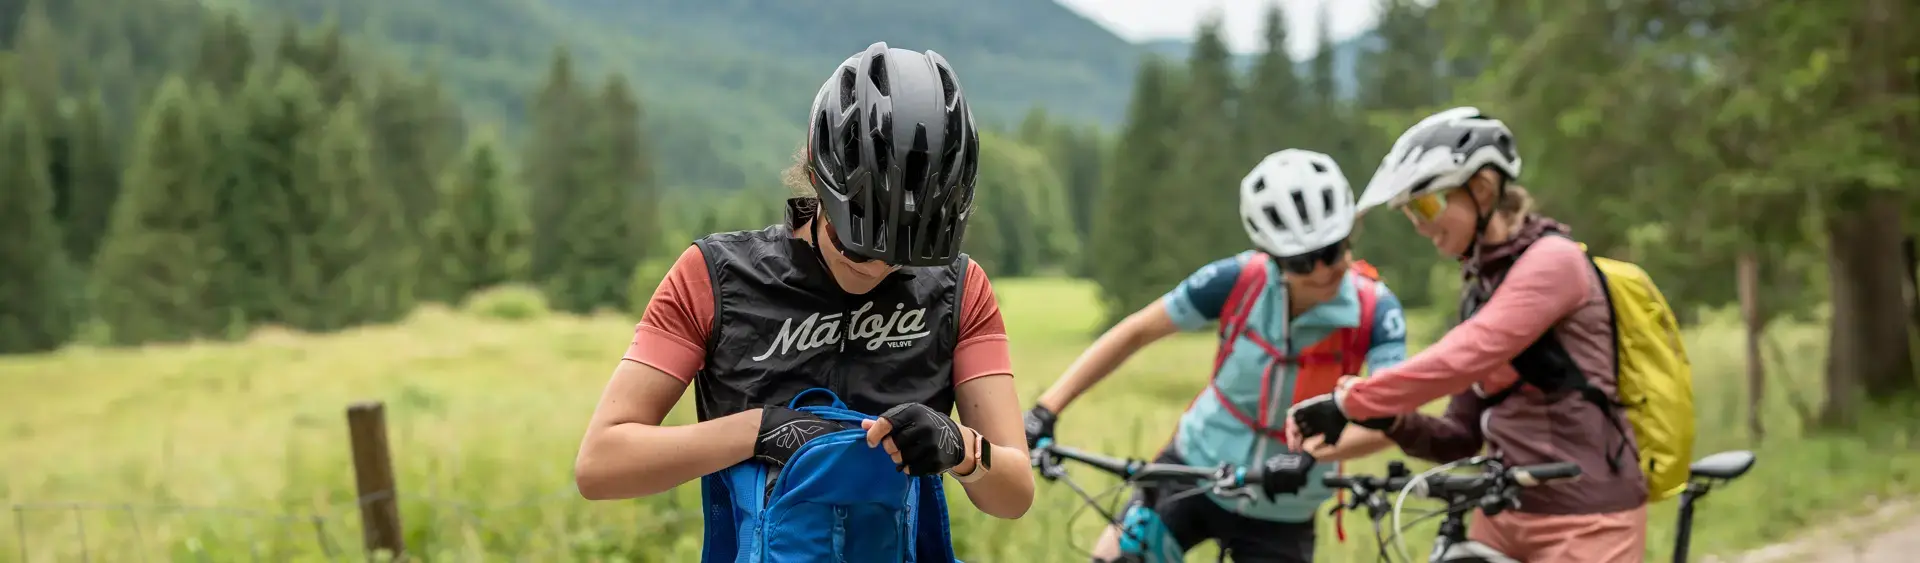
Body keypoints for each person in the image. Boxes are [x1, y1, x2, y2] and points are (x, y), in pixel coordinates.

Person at [573, 42, 1034, 536]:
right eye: (858, 243)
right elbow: (601, 464)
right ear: (817, 177)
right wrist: (760, 430)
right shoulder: (712, 275)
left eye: (907, 253)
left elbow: (1014, 494)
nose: (879, 266)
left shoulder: (961, 289)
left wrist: (961, 447)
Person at [1286, 107, 1649, 562]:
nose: (1419, 226)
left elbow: (1464, 357)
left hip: (1586, 519)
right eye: (1409, 212)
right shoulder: (1483, 287)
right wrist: (1389, 421)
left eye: (1425, 205)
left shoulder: (1554, 262)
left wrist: (1353, 402)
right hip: (1502, 513)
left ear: (1481, 189)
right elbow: (1458, 436)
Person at [1023, 149, 1411, 563]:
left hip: (1287, 503)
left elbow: (1394, 418)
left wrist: (1312, 456)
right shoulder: (1236, 280)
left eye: (1333, 250)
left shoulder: (1376, 311)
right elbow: (1135, 332)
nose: (1322, 269)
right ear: (1274, 257)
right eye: (1303, 261)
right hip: (1192, 469)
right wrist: (1046, 409)